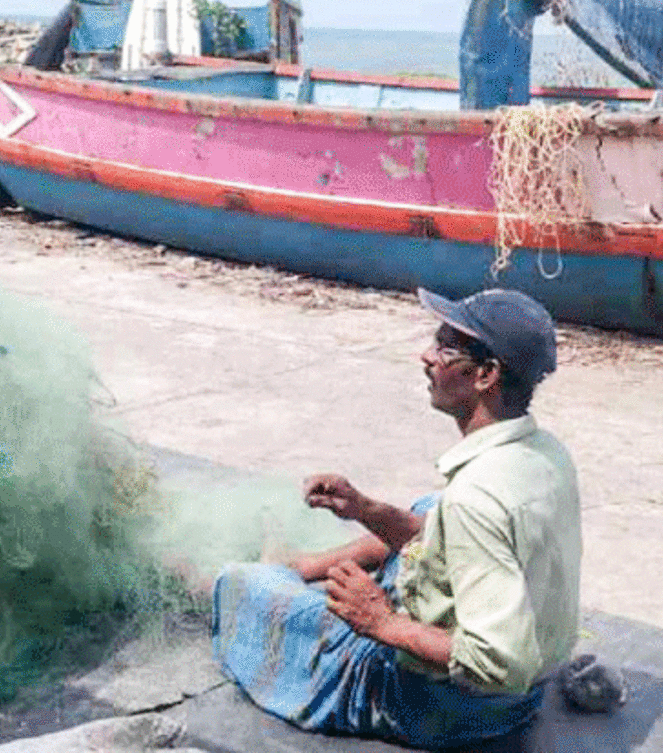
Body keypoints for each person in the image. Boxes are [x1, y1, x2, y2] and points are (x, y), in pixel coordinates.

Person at [211, 287, 583, 749]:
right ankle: (307, 565)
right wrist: (365, 510)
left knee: (237, 585)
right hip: (525, 694)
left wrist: (381, 622)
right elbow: (456, 536)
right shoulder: (544, 453)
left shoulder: (476, 499)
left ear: (486, 375)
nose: (425, 357)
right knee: (432, 507)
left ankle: (284, 586)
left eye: (445, 350)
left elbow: (499, 663)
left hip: (450, 709)